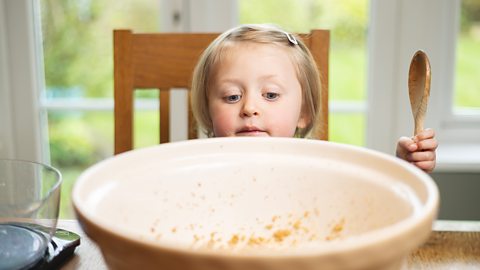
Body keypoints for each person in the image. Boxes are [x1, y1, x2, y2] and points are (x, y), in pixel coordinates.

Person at [191, 24, 437, 173]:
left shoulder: (319, 169)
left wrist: (405, 167)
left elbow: (366, 207)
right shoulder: (194, 171)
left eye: (271, 94)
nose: (250, 108)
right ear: (208, 110)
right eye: (232, 96)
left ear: (303, 112)